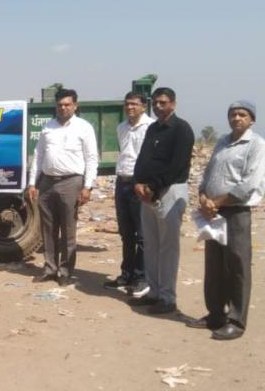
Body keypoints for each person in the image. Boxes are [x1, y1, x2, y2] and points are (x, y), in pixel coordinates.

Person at [188, 100, 265, 340]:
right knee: (214, 266)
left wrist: (217, 202)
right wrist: (203, 197)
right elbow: (208, 174)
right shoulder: (222, 142)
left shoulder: (256, 145)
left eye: (242, 114)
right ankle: (215, 315)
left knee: (237, 266)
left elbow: (248, 183)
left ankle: (236, 320)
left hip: (235, 212)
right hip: (213, 213)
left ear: (251, 119)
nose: (237, 118)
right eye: (233, 114)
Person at [130, 87, 194, 314]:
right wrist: (138, 182)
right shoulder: (153, 129)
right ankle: (154, 292)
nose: (158, 106)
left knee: (168, 248)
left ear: (173, 104)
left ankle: (167, 298)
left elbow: (176, 165)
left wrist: (153, 186)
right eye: (155, 103)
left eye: (163, 102)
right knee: (151, 245)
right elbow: (142, 159)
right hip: (147, 193)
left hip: (169, 191)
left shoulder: (181, 129)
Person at [27, 89, 98, 286]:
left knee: (68, 229)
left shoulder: (84, 128)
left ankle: (65, 271)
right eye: (60, 104)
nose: (63, 108)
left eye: (67, 104)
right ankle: (50, 268)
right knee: (47, 229)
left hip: (71, 181)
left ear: (75, 106)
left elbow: (91, 158)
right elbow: (39, 156)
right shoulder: (48, 127)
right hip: (47, 182)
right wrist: (33, 182)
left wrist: (88, 187)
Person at [104, 91, 155, 297]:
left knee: (142, 235)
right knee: (126, 233)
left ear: (143, 106)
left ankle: (142, 277)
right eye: (127, 104)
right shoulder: (121, 127)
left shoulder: (150, 127)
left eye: (134, 104)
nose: (130, 107)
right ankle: (126, 274)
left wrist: (146, 184)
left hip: (139, 184)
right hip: (122, 182)